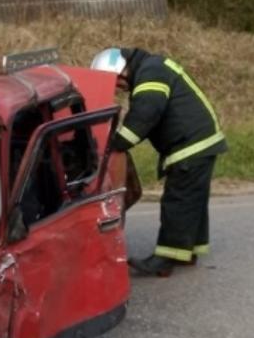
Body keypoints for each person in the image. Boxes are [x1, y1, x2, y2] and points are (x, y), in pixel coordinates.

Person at [91, 47, 227, 277]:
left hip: (190, 145)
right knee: (192, 200)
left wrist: (116, 144)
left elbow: (145, 114)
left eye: (117, 83)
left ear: (121, 71)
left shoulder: (150, 74)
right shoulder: (151, 67)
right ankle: (187, 252)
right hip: (199, 142)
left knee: (178, 201)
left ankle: (164, 259)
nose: (119, 89)